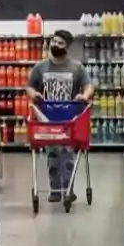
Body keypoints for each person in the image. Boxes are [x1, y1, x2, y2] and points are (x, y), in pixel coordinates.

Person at [26, 29, 93, 202]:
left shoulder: (76, 67)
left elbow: (88, 86)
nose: (55, 45)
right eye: (54, 41)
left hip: (68, 120)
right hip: (47, 120)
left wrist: (83, 97)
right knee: (52, 155)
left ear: (67, 47)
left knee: (67, 154)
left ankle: (68, 188)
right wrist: (34, 95)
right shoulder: (40, 67)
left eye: (60, 43)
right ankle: (55, 190)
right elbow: (30, 87)